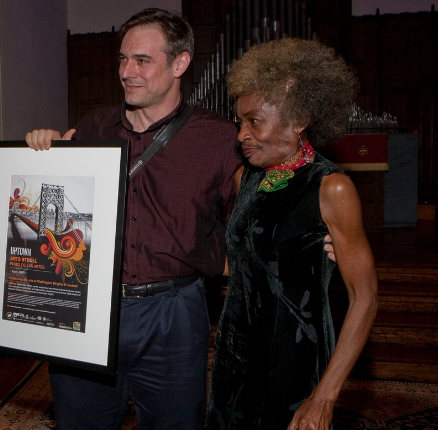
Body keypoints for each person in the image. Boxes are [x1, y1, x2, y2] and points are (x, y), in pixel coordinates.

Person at [27, 9, 241, 430]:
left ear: (179, 63)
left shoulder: (219, 139)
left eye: (142, 60)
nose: (128, 71)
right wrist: (42, 154)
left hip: (174, 315)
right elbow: (52, 210)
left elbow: (253, 218)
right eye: (123, 59)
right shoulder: (92, 128)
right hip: (88, 306)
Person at [205, 38, 378, 430]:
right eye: (239, 122)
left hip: (294, 365)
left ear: (297, 119)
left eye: (254, 121)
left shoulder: (331, 188)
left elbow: (365, 297)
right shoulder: (245, 178)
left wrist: (325, 395)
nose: (241, 135)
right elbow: (244, 265)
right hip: (235, 362)